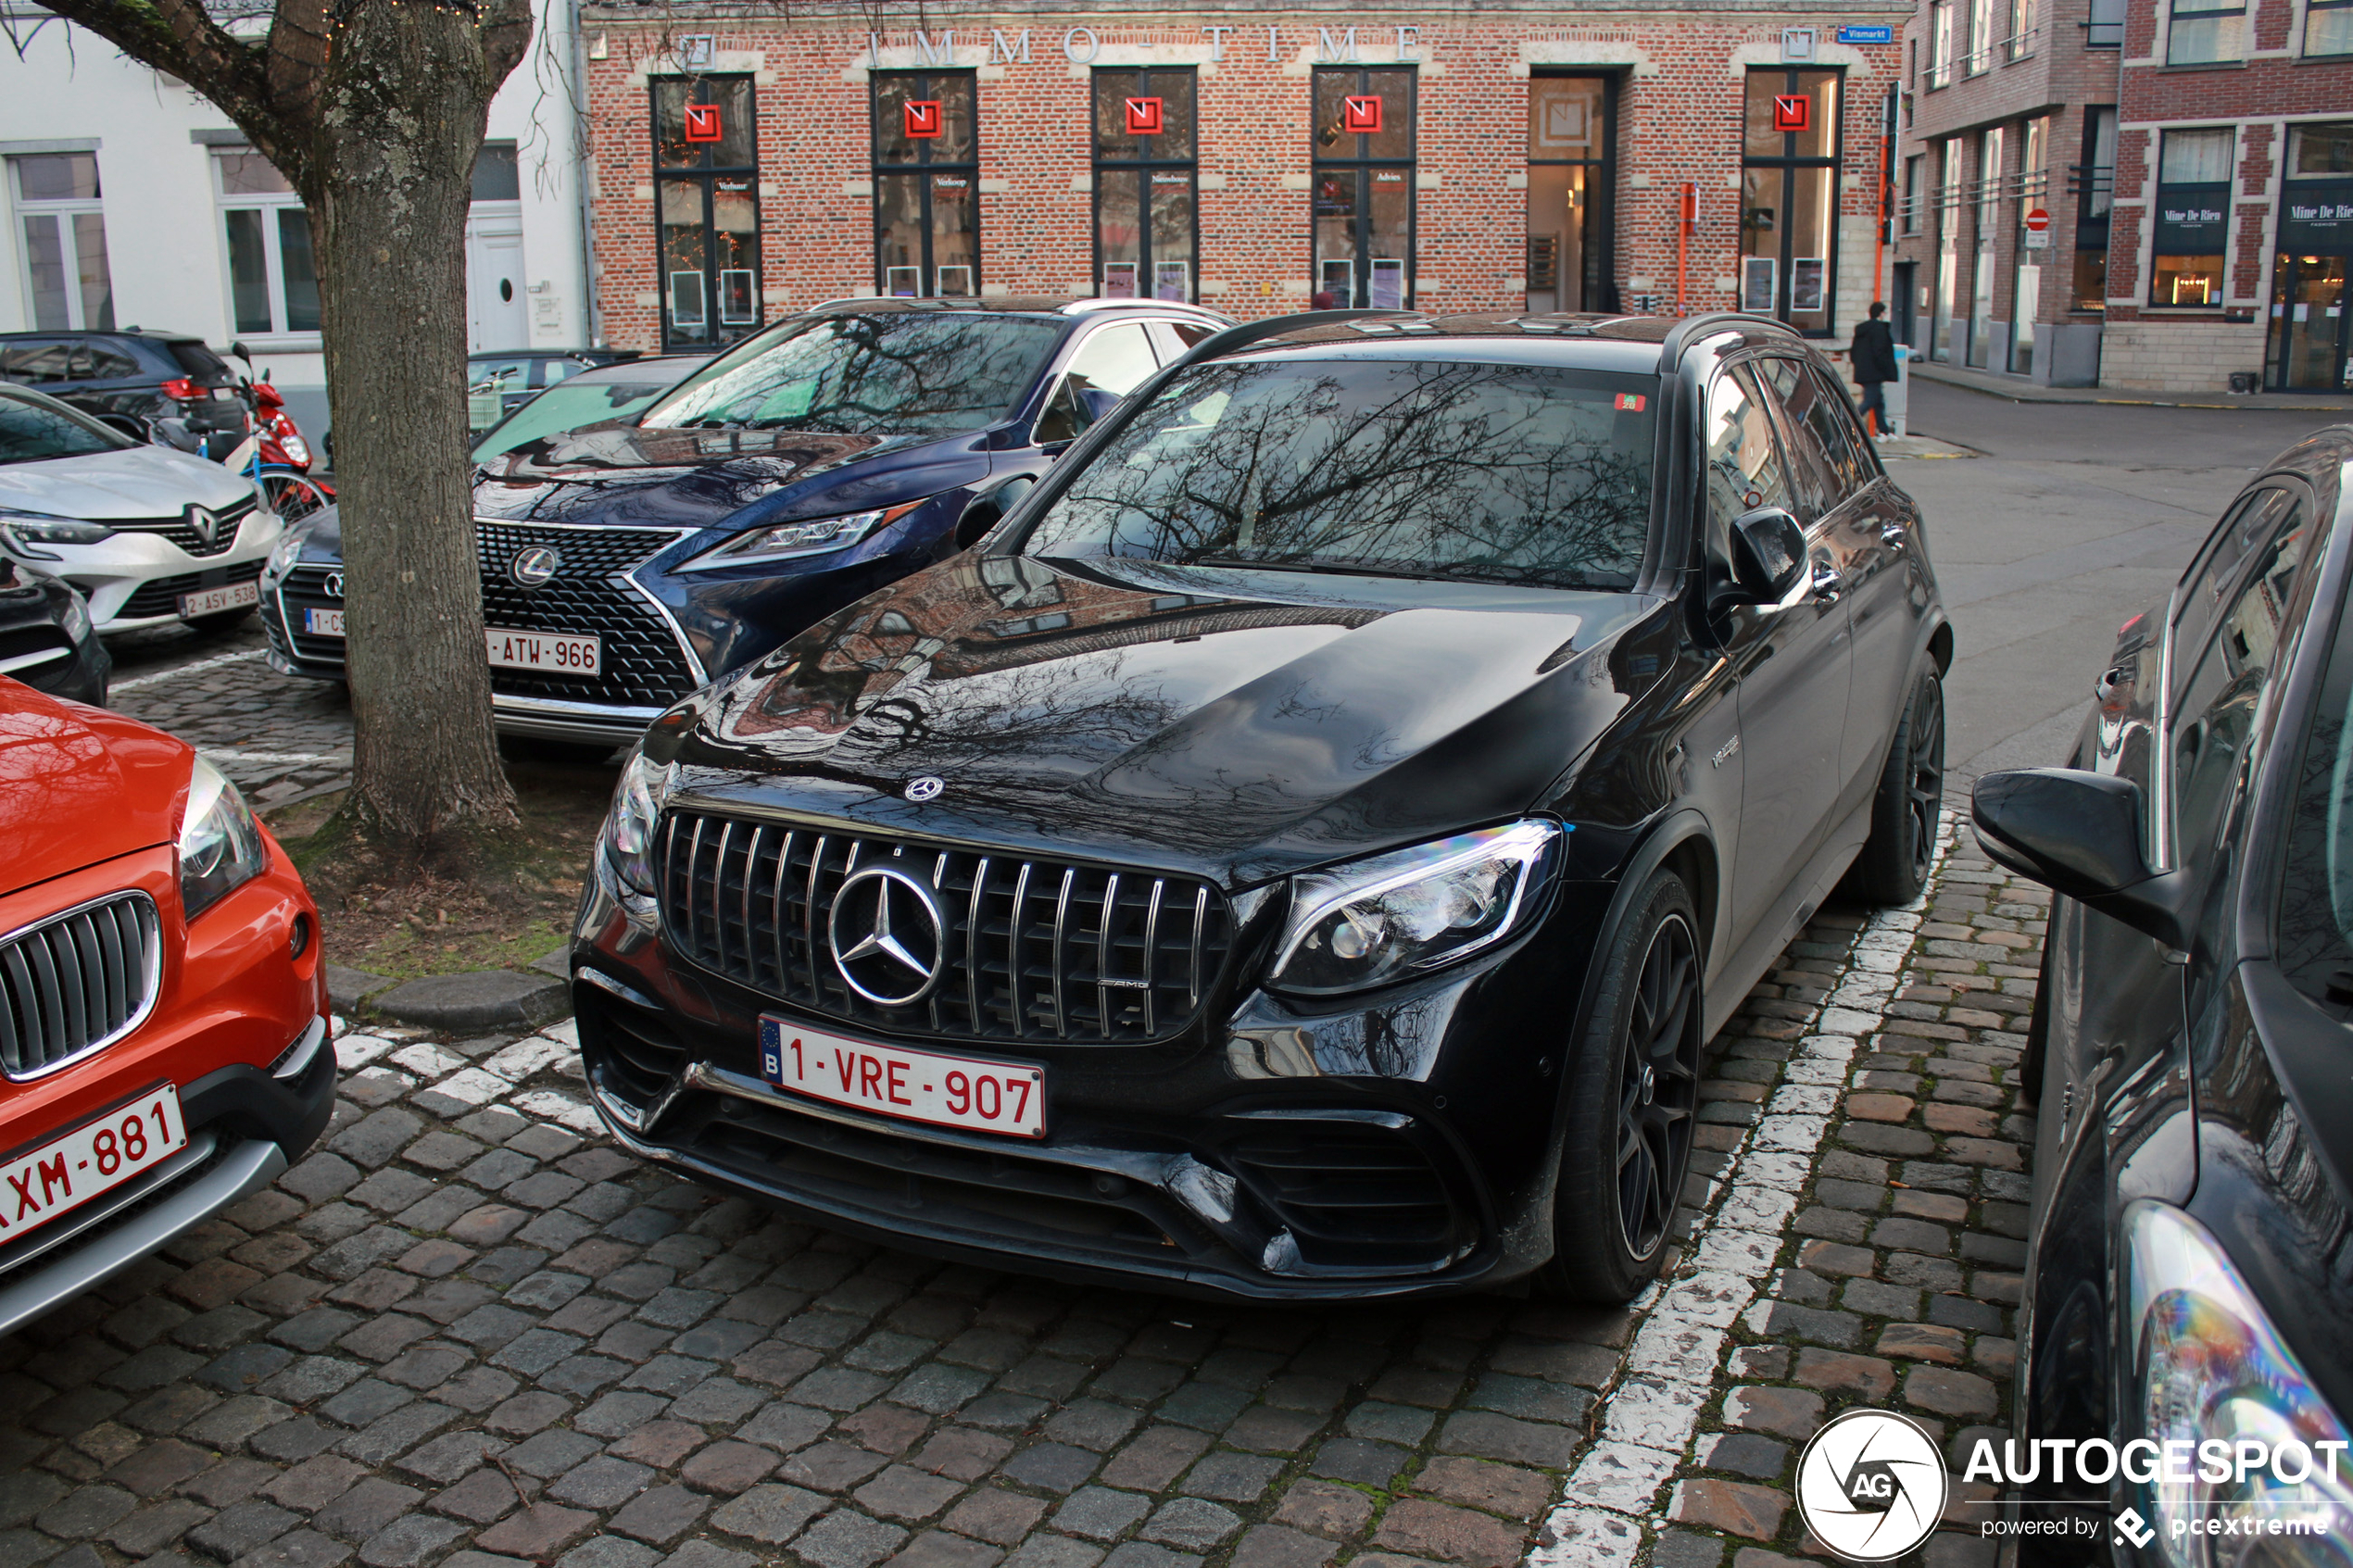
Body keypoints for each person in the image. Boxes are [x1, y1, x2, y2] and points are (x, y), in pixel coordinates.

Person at [1849, 301, 1899, 438]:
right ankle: (1847, 424)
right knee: (1870, 400)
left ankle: (1884, 432)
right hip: (1874, 372)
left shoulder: (1862, 329)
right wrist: (1886, 369)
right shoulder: (1879, 329)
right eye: (1884, 312)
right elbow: (1880, 351)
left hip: (1864, 370)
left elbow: (1853, 352)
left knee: (1879, 402)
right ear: (1881, 313)